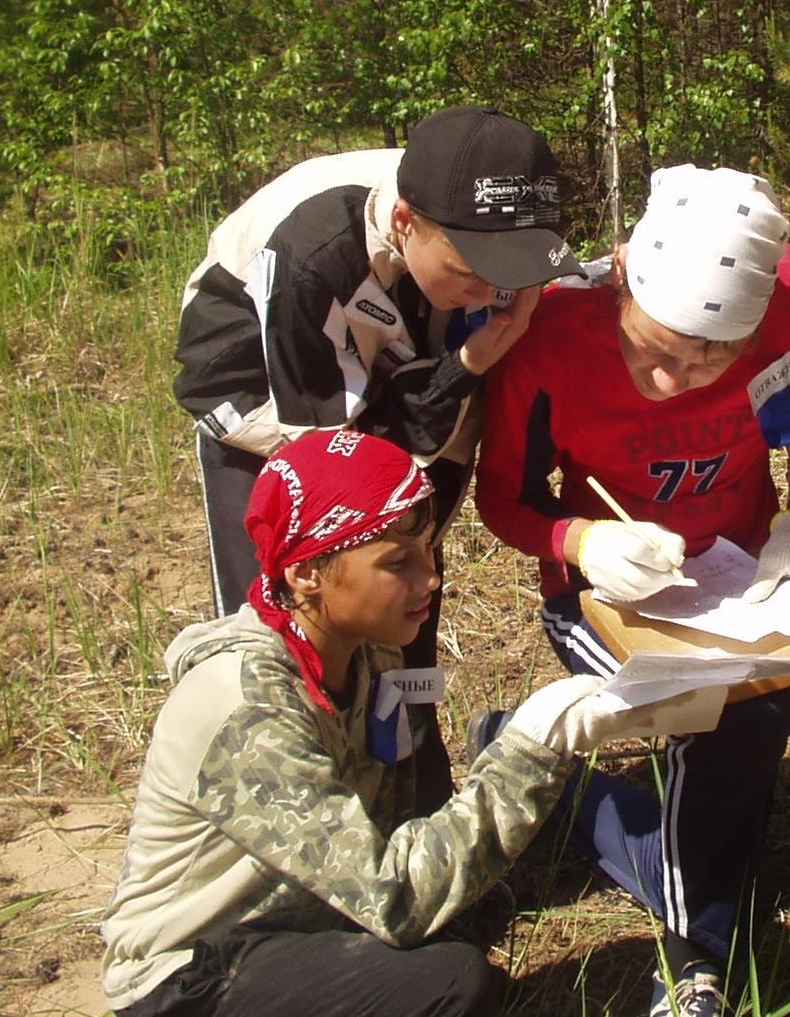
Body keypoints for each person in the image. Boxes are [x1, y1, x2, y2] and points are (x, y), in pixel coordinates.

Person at [474, 164, 790, 1016]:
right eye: (653, 353)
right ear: (620, 278)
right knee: (717, 716)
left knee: (753, 715)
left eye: (711, 360)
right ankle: (697, 965)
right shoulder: (551, 336)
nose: (674, 382)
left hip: (742, 572)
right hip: (602, 590)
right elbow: (501, 495)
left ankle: (558, 783)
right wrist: (582, 539)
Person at [101, 429, 652, 1017]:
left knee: (457, 950)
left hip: (300, 926)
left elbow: (386, 839)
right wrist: (531, 750)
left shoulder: (365, 650)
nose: (430, 578)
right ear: (306, 572)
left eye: (428, 550)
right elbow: (396, 898)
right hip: (188, 976)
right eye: (397, 562)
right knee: (449, 984)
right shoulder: (246, 705)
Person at [172, 105, 583, 801]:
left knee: (406, 597)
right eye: (475, 272)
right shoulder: (313, 253)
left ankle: (415, 808)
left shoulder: (474, 208)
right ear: (404, 224)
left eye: (512, 271)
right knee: (304, 613)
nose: (493, 292)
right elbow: (335, 471)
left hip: (408, 364)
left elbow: (536, 284)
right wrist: (468, 362)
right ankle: (300, 824)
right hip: (276, 408)